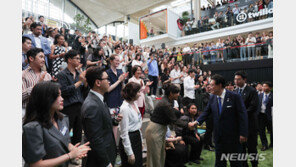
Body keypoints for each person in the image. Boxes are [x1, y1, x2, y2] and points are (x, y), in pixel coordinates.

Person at [23, 81, 90, 167]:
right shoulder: (33, 128)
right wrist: (70, 155)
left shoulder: (62, 119)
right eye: (57, 96)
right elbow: (36, 164)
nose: (62, 99)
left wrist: (72, 148)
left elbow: (62, 139)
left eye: (61, 95)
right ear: (46, 98)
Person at [195, 74, 248, 167]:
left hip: (233, 138)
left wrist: (243, 133)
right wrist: (196, 122)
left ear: (219, 85)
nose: (210, 87)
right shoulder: (212, 97)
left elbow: (242, 116)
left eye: (212, 85)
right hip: (218, 137)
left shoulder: (234, 97)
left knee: (235, 163)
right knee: (219, 163)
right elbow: (206, 112)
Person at [145, 83, 196, 167]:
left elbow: (174, 113)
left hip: (160, 130)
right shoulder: (165, 103)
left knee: (160, 155)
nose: (178, 95)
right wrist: (188, 125)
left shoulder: (169, 101)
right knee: (155, 157)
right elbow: (174, 120)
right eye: (177, 93)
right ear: (171, 94)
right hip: (155, 130)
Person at [81, 66, 123, 167]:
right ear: (98, 83)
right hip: (99, 161)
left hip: (108, 152)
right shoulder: (92, 105)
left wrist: (115, 121)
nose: (109, 82)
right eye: (107, 79)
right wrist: (107, 163)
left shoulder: (99, 99)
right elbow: (96, 139)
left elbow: (102, 124)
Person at [56, 50, 87, 145]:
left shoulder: (79, 74)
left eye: (79, 58)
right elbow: (64, 91)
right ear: (69, 60)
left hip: (79, 106)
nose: (79, 60)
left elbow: (83, 93)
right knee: (65, 132)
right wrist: (79, 82)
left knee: (78, 134)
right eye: (77, 58)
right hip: (68, 107)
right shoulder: (62, 74)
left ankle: (76, 155)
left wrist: (85, 83)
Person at [234, 71, 259, 167]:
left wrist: (241, 114)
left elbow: (253, 107)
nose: (236, 81)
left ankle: (254, 164)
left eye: (238, 79)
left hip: (250, 124)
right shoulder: (235, 91)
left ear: (244, 80)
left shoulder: (252, 91)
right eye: (235, 79)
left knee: (252, 148)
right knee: (241, 148)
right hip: (239, 126)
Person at [119, 82, 143, 167]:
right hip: (129, 139)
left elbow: (138, 124)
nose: (140, 94)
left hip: (136, 137)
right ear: (132, 93)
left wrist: (141, 140)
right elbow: (124, 133)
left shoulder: (134, 104)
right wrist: (129, 153)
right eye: (138, 92)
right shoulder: (124, 108)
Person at [22, 48, 52, 118]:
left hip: (45, 112)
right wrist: (37, 86)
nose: (44, 60)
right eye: (41, 57)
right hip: (27, 113)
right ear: (31, 58)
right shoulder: (23, 75)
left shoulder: (47, 75)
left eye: (44, 58)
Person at [257, 81, 273, 151]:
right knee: (261, 131)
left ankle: (272, 144)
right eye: (263, 86)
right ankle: (264, 145)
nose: (263, 87)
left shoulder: (273, 96)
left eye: (265, 86)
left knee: (272, 131)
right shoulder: (259, 95)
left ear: (270, 88)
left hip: (270, 116)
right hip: (261, 116)